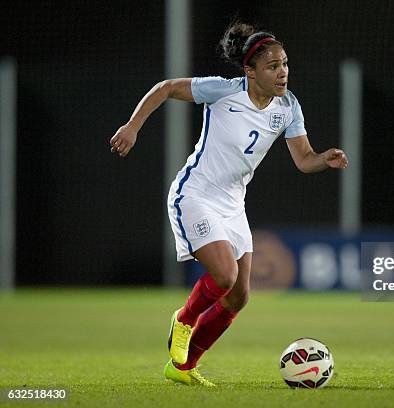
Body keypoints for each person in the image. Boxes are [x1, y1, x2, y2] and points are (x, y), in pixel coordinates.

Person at [109, 21, 349, 386]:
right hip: (196, 194)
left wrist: (323, 159)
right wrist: (132, 126)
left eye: (284, 63)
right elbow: (167, 88)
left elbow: (303, 159)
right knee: (224, 275)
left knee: (238, 297)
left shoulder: (288, 107)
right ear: (250, 71)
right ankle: (184, 320)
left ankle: (182, 368)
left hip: (233, 205)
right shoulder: (223, 92)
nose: (282, 71)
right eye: (272, 66)